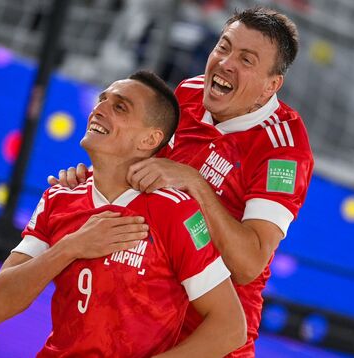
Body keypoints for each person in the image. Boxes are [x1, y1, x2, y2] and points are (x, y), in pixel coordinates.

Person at [50, 7, 314, 357]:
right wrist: (91, 185)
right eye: (224, 47)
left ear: (271, 86)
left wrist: (194, 183)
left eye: (246, 60)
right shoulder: (188, 94)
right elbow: (139, 176)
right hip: (141, 320)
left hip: (209, 338)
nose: (226, 63)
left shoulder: (283, 150)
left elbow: (249, 265)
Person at [0, 70, 246, 357]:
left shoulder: (175, 211)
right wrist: (71, 247)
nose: (99, 110)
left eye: (119, 107)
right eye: (102, 100)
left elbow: (230, 328)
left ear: (149, 139)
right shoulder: (58, 197)